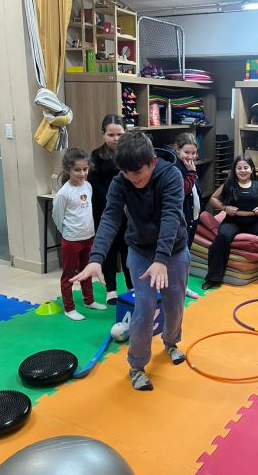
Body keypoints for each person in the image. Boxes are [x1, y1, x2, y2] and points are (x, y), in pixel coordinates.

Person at [70, 131, 189, 392]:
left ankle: (171, 343)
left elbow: (170, 216)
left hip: (174, 251)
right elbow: (110, 217)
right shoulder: (120, 182)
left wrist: (162, 258)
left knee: (175, 305)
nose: (133, 179)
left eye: (138, 173)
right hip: (140, 251)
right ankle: (136, 366)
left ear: (152, 161)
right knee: (144, 309)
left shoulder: (171, 175)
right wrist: (96, 258)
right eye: (126, 173)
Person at [202, 154, 258, 290]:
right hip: (232, 221)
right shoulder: (229, 185)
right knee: (222, 237)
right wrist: (225, 208)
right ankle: (213, 279)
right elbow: (213, 198)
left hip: (253, 221)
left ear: (251, 169)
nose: (243, 170)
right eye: (239, 168)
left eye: (246, 167)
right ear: (235, 170)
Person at [52, 148, 107, 321]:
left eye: (85, 169)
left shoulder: (88, 186)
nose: (82, 173)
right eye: (77, 170)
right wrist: (68, 232)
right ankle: (69, 308)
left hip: (88, 236)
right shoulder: (64, 193)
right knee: (69, 274)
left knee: (86, 271)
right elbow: (57, 217)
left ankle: (89, 300)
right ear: (68, 170)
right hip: (71, 240)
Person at [89, 114, 133, 304]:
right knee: (109, 250)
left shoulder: (131, 153)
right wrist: (113, 198)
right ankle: (111, 290)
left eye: (119, 134)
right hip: (104, 210)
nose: (115, 139)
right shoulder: (96, 155)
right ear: (103, 134)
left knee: (129, 249)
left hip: (129, 211)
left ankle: (132, 286)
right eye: (111, 135)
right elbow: (93, 183)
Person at [174, 132, 203, 299]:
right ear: (177, 150)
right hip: (181, 220)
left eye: (194, 153)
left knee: (186, 255)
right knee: (178, 256)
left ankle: (183, 286)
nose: (190, 157)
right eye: (186, 152)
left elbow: (196, 191)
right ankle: (176, 288)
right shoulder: (176, 168)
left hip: (192, 217)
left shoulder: (191, 167)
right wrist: (191, 173)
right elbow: (181, 191)